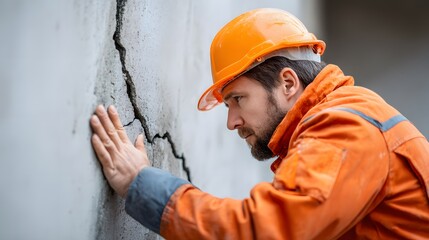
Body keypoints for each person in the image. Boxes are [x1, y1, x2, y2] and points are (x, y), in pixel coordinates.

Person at [90, 8, 429, 239]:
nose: (231, 122)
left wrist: (142, 185)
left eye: (237, 99)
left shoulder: (344, 128)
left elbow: (261, 231)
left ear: (287, 83)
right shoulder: (348, 118)